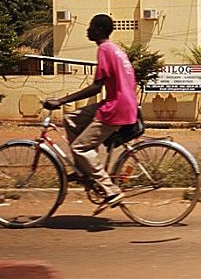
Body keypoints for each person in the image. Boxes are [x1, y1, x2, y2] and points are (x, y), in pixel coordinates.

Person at [43, 14, 138, 216]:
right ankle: (85, 171)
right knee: (71, 119)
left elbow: (96, 87)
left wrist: (60, 101)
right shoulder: (115, 49)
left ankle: (111, 191)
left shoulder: (104, 49)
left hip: (116, 108)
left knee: (79, 147)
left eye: (91, 27)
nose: (88, 30)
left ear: (100, 30)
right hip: (120, 102)